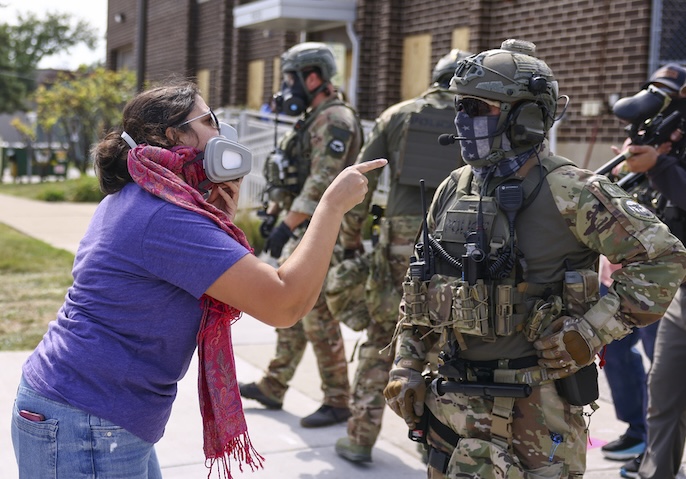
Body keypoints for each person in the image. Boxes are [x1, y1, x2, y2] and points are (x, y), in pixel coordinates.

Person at [10, 78, 386, 479]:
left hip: (88, 411)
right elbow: (284, 303)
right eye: (210, 120)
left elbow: (216, 274)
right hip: (85, 422)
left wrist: (220, 219)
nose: (222, 131)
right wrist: (330, 207)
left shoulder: (146, 197)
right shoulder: (164, 216)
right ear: (175, 135)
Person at [382, 39, 686, 479]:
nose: (461, 120)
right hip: (451, 407)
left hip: (535, 413)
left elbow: (663, 258)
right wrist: (407, 363)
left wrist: (590, 333)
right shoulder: (453, 187)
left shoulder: (572, 191)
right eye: (459, 106)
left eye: (476, 107)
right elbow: (420, 287)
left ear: (525, 117)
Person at [332, 48, 472, 463]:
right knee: (455, 338)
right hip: (465, 239)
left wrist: (352, 239)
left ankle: (360, 436)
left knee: (383, 335)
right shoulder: (484, 117)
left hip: (401, 240)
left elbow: (360, 180)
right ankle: (446, 445)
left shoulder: (399, 114)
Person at [239, 42, 364, 427]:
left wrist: (285, 226)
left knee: (318, 315)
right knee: (293, 308)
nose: (287, 86)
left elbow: (323, 181)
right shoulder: (315, 117)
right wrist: (276, 214)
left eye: (291, 78)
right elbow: (295, 175)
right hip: (303, 226)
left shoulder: (336, 119)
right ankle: (274, 384)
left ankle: (338, 399)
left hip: (324, 231)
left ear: (313, 77)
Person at [609, 63, 686, 479]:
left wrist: (659, 164)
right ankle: (654, 467)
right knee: (664, 395)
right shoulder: (665, 145)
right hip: (674, 290)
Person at [598, 255, 658, 463]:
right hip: (619, 276)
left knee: (662, 365)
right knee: (610, 349)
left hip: (660, 278)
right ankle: (638, 430)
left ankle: (657, 448)